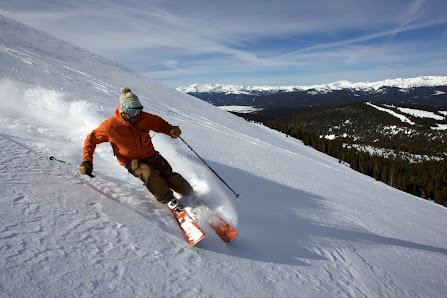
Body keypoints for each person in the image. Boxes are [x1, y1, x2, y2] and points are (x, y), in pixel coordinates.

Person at [79, 87, 193, 204]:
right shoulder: (111, 126)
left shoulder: (144, 118)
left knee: (168, 174)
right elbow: (90, 140)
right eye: (132, 112)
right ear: (123, 111)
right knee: (149, 174)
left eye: (139, 111)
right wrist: (87, 160)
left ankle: (191, 194)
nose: (136, 116)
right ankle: (169, 200)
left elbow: (160, 124)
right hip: (131, 160)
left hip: (151, 155)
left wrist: (171, 130)